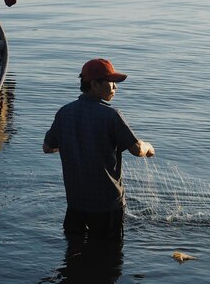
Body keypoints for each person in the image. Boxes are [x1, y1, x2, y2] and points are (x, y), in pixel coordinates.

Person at [43, 58, 155, 240]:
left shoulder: (64, 112)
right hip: (107, 207)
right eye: (111, 83)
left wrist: (71, 142)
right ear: (94, 84)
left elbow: (48, 147)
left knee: (74, 255)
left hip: (75, 204)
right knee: (109, 259)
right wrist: (148, 147)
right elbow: (137, 150)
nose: (115, 88)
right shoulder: (111, 115)